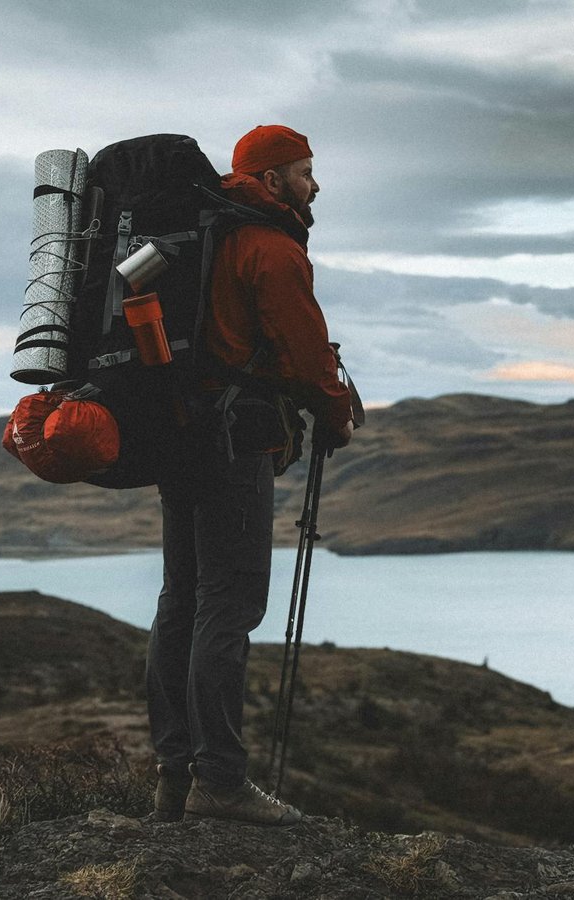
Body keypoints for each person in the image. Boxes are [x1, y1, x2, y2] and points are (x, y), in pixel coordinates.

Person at [144, 125, 354, 826]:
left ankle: (174, 780)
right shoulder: (269, 247)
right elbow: (304, 351)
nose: (314, 185)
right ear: (269, 181)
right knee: (228, 607)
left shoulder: (201, 236)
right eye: (302, 173)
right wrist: (336, 415)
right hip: (236, 443)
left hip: (179, 435)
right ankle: (223, 784)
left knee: (182, 600)